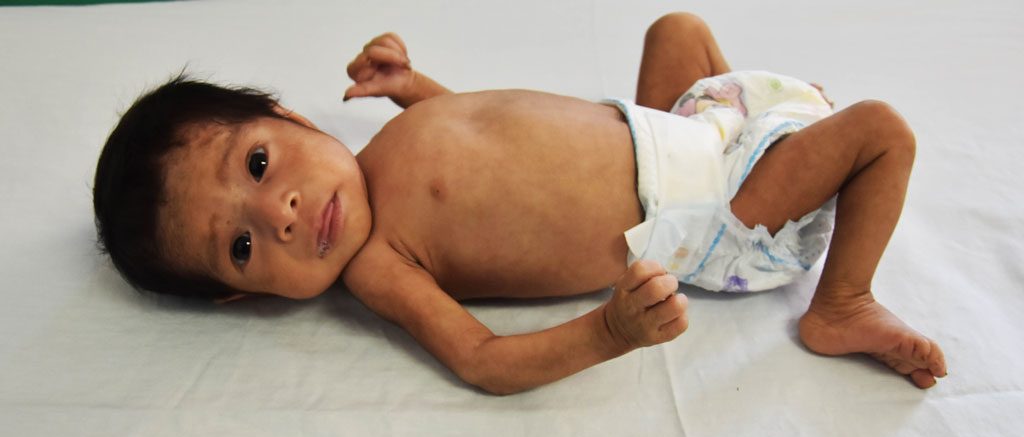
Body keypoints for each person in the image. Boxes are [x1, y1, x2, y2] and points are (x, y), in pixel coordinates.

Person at [93, 13, 947, 395]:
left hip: (679, 131)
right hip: (712, 209)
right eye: (241, 247)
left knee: (675, 30)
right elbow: (482, 361)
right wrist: (609, 331)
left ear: (289, 117)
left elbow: (487, 133)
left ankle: (780, 125)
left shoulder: (385, 150)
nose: (278, 213)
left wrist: (412, 84)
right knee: (882, 132)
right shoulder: (380, 267)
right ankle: (842, 302)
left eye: (258, 164)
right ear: (241, 295)